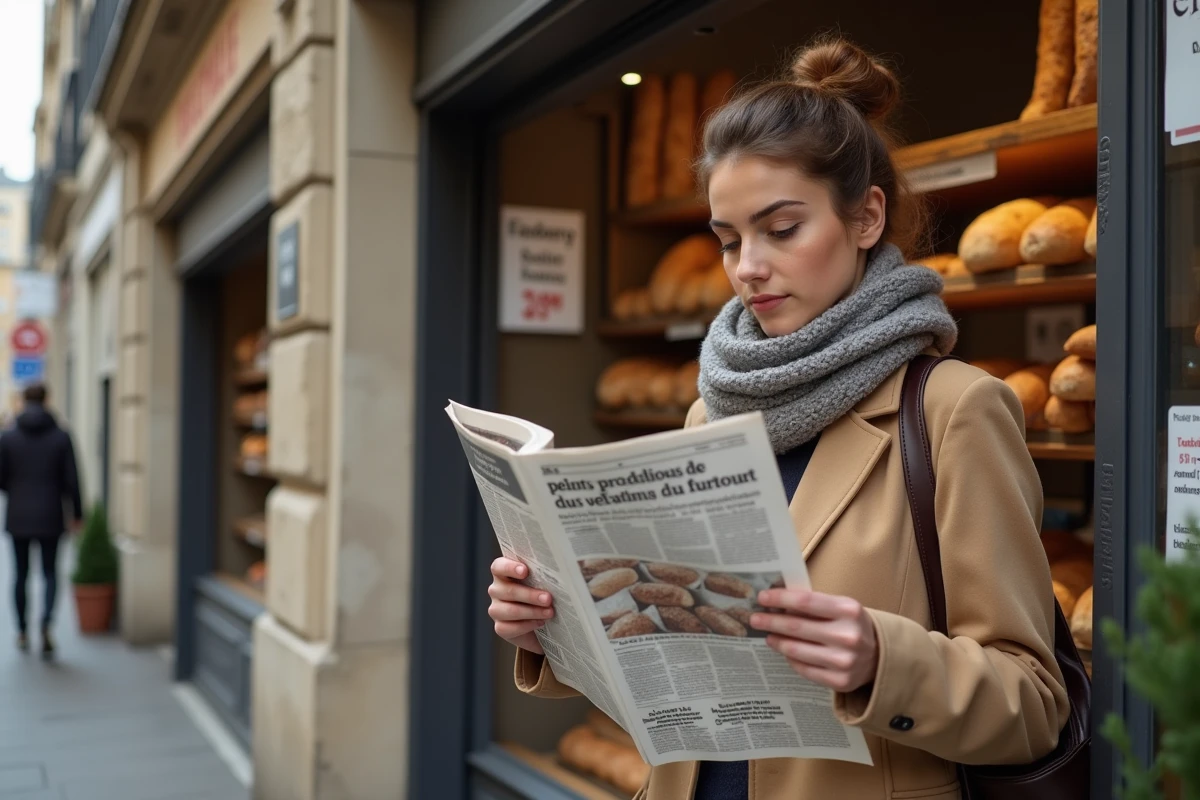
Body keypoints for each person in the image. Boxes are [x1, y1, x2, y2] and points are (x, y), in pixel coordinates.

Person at [487, 37, 1069, 800]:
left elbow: (1034, 705)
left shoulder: (956, 409)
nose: (747, 267)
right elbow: (683, 666)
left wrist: (880, 661)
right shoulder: (710, 413)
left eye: (781, 229)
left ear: (865, 218)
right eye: (728, 240)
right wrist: (555, 629)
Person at [0, 383, 83, 657]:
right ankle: (46, 623)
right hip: (51, 513)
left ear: (24, 400)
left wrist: (18, 490)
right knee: (49, 573)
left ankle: (22, 630)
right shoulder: (61, 436)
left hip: (19, 514)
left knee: (20, 574)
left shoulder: (8, 437)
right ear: (47, 400)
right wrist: (78, 514)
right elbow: (73, 479)